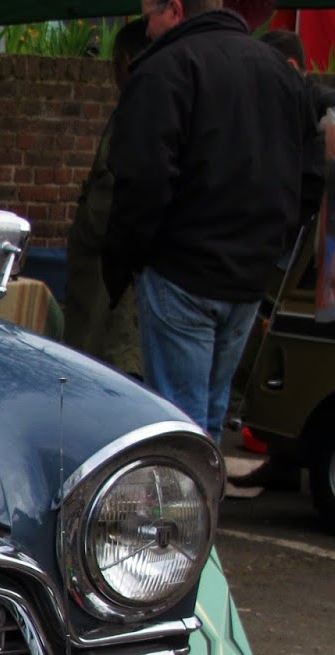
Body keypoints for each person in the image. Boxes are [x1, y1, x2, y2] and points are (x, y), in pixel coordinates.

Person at [103, 0, 320, 444]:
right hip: (245, 274)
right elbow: (310, 168)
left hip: (182, 270)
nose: (145, 31)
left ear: (176, 10)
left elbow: (143, 178)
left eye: (149, 18)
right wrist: (274, 239)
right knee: (210, 415)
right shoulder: (278, 72)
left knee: (179, 421)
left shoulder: (166, 69)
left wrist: (128, 257)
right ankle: (203, 507)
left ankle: (186, 512)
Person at [230, 28, 334, 490]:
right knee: (276, 343)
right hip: (289, 241)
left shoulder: (313, 103)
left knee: (295, 346)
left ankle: (287, 448)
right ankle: (284, 450)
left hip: (304, 241)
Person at [63, 18, 150, 378]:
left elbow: (106, 206)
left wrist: (84, 233)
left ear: (127, 62)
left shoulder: (138, 113)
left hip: (111, 288)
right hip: (114, 281)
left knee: (106, 373)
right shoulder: (154, 109)